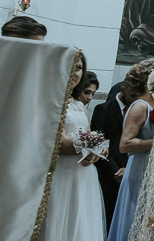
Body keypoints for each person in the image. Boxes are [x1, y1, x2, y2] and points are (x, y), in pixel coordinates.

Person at [40, 51, 107, 240]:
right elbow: (56, 141)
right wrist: (86, 145)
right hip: (59, 171)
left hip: (81, 175)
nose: (75, 72)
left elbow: (87, 131)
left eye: (79, 67)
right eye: (70, 65)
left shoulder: (79, 105)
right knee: (55, 221)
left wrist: (94, 152)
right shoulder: (50, 100)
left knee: (79, 224)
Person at [107, 59, 154, 241]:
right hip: (139, 169)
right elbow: (125, 144)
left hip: (152, 169)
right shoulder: (140, 106)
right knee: (137, 215)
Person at [91, 79, 132, 231]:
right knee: (106, 215)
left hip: (128, 171)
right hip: (108, 172)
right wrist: (116, 171)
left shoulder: (138, 110)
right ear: (122, 90)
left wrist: (128, 168)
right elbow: (98, 144)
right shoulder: (103, 109)